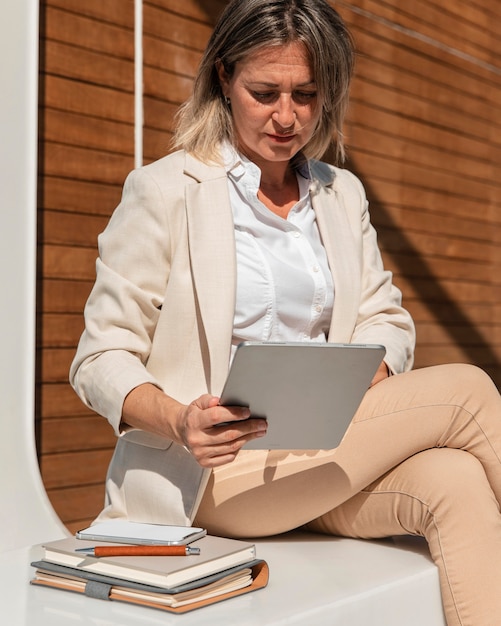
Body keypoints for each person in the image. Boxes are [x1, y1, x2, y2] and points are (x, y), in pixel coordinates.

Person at [70, 1, 501, 624]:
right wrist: (180, 420)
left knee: (455, 481)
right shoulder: (165, 190)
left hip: (326, 451)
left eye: (306, 94)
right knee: (467, 390)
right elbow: (99, 356)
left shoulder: (339, 192)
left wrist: (365, 376)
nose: (286, 115)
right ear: (224, 77)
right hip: (216, 474)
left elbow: (386, 319)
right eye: (265, 91)